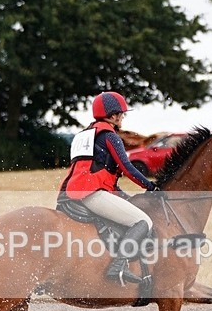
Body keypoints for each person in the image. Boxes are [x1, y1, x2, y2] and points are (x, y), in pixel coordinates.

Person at [58, 91, 159, 284]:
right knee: (143, 220)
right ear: (112, 115)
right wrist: (151, 186)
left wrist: (124, 194)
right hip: (91, 194)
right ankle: (118, 265)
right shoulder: (110, 137)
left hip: (68, 193)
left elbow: (99, 170)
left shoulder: (84, 135)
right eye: (121, 113)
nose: (123, 117)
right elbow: (127, 168)